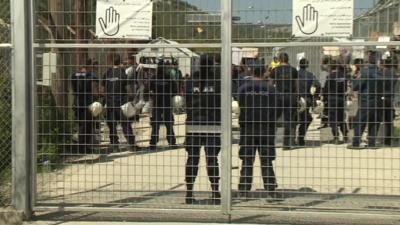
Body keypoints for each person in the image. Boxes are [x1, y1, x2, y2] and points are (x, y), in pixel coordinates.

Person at [237, 59, 278, 198]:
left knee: (247, 160)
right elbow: (276, 108)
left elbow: (240, 105)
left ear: (251, 71)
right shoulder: (270, 89)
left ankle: (244, 188)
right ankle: (271, 188)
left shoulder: (244, 88)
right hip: (266, 127)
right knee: (266, 160)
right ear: (264, 72)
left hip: (248, 127)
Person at [184, 54, 221, 205]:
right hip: (211, 124)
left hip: (193, 123)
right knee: (212, 159)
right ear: (211, 64)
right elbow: (220, 101)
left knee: (192, 159)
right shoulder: (217, 80)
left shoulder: (191, 81)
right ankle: (215, 191)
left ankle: (189, 192)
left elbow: (187, 101)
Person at [102, 54, 137, 151]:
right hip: (121, 103)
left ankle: (114, 146)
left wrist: (106, 98)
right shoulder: (122, 74)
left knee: (112, 125)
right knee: (125, 124)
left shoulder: (107, 73)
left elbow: (103, 90)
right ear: (120, 61)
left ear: (111, 62)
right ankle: (131, 144)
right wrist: (131, 97)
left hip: (110, 103)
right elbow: (128, 88)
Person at [349, 51, 382, 149]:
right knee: (374, 122)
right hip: (377, 100)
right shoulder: (380, 71)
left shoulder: (365, 72)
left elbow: (356, 86)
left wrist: (355, 77)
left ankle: (356, 143)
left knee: (360, 121)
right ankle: (372, 143)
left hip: (365, 100)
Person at [70, 58, 100, 153]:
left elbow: (73, 90)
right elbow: (95, 92)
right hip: (87, 103)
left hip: (77, 103)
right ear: (89, 66)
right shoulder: (91, 76)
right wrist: (100, 95)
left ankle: (80, 146)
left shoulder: (74, 76)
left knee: (80, 125)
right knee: (87, 126)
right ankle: (83, 148)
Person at [270, 52, 299, 149]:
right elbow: (296, 85)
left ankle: (271, 140)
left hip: (278, 95)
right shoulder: (293, 70)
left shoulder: (275, 70)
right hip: (290, 96)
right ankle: (286, 144)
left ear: (278, 60)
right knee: (289, 119)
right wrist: (297, 96)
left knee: (273, 118)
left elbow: (271, 85)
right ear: (288, 59)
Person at [149, 59, 177, 150]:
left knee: (155, 124)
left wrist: (153, 95)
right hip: (166, 103)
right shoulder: (169, 78)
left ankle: (153, 143)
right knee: (169, 123)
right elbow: (174, 91)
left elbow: (148, 91)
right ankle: (172, 142)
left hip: (157, 104)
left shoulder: (154, 78)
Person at [297, 58, 321, 146]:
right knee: (306, 119)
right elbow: (318, 85)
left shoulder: (295, 74)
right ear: (307, 65)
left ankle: (291, 139)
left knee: (294, 119)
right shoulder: (310, 75)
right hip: (306, 99)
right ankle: (300, 137)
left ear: (299, 65)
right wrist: (315, 96)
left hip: (296, 98)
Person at [324, 59, 348, 144]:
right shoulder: (343, 76)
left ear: (330, 67)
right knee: (341, 118)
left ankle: (336, 137)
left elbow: (326, 89)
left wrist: (325, 100)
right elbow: (345, 88)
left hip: (332, 99)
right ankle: (345, 136)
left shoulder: (330, 77)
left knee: (333, 119)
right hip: (341, 98)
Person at [380, 56, 398, 146]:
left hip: (381, 97)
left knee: (378, 118)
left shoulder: (381, 73)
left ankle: (376, 138)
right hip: (390, 97)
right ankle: (388, 138)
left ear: (383, 64)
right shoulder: (394, 73)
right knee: (389, 120)